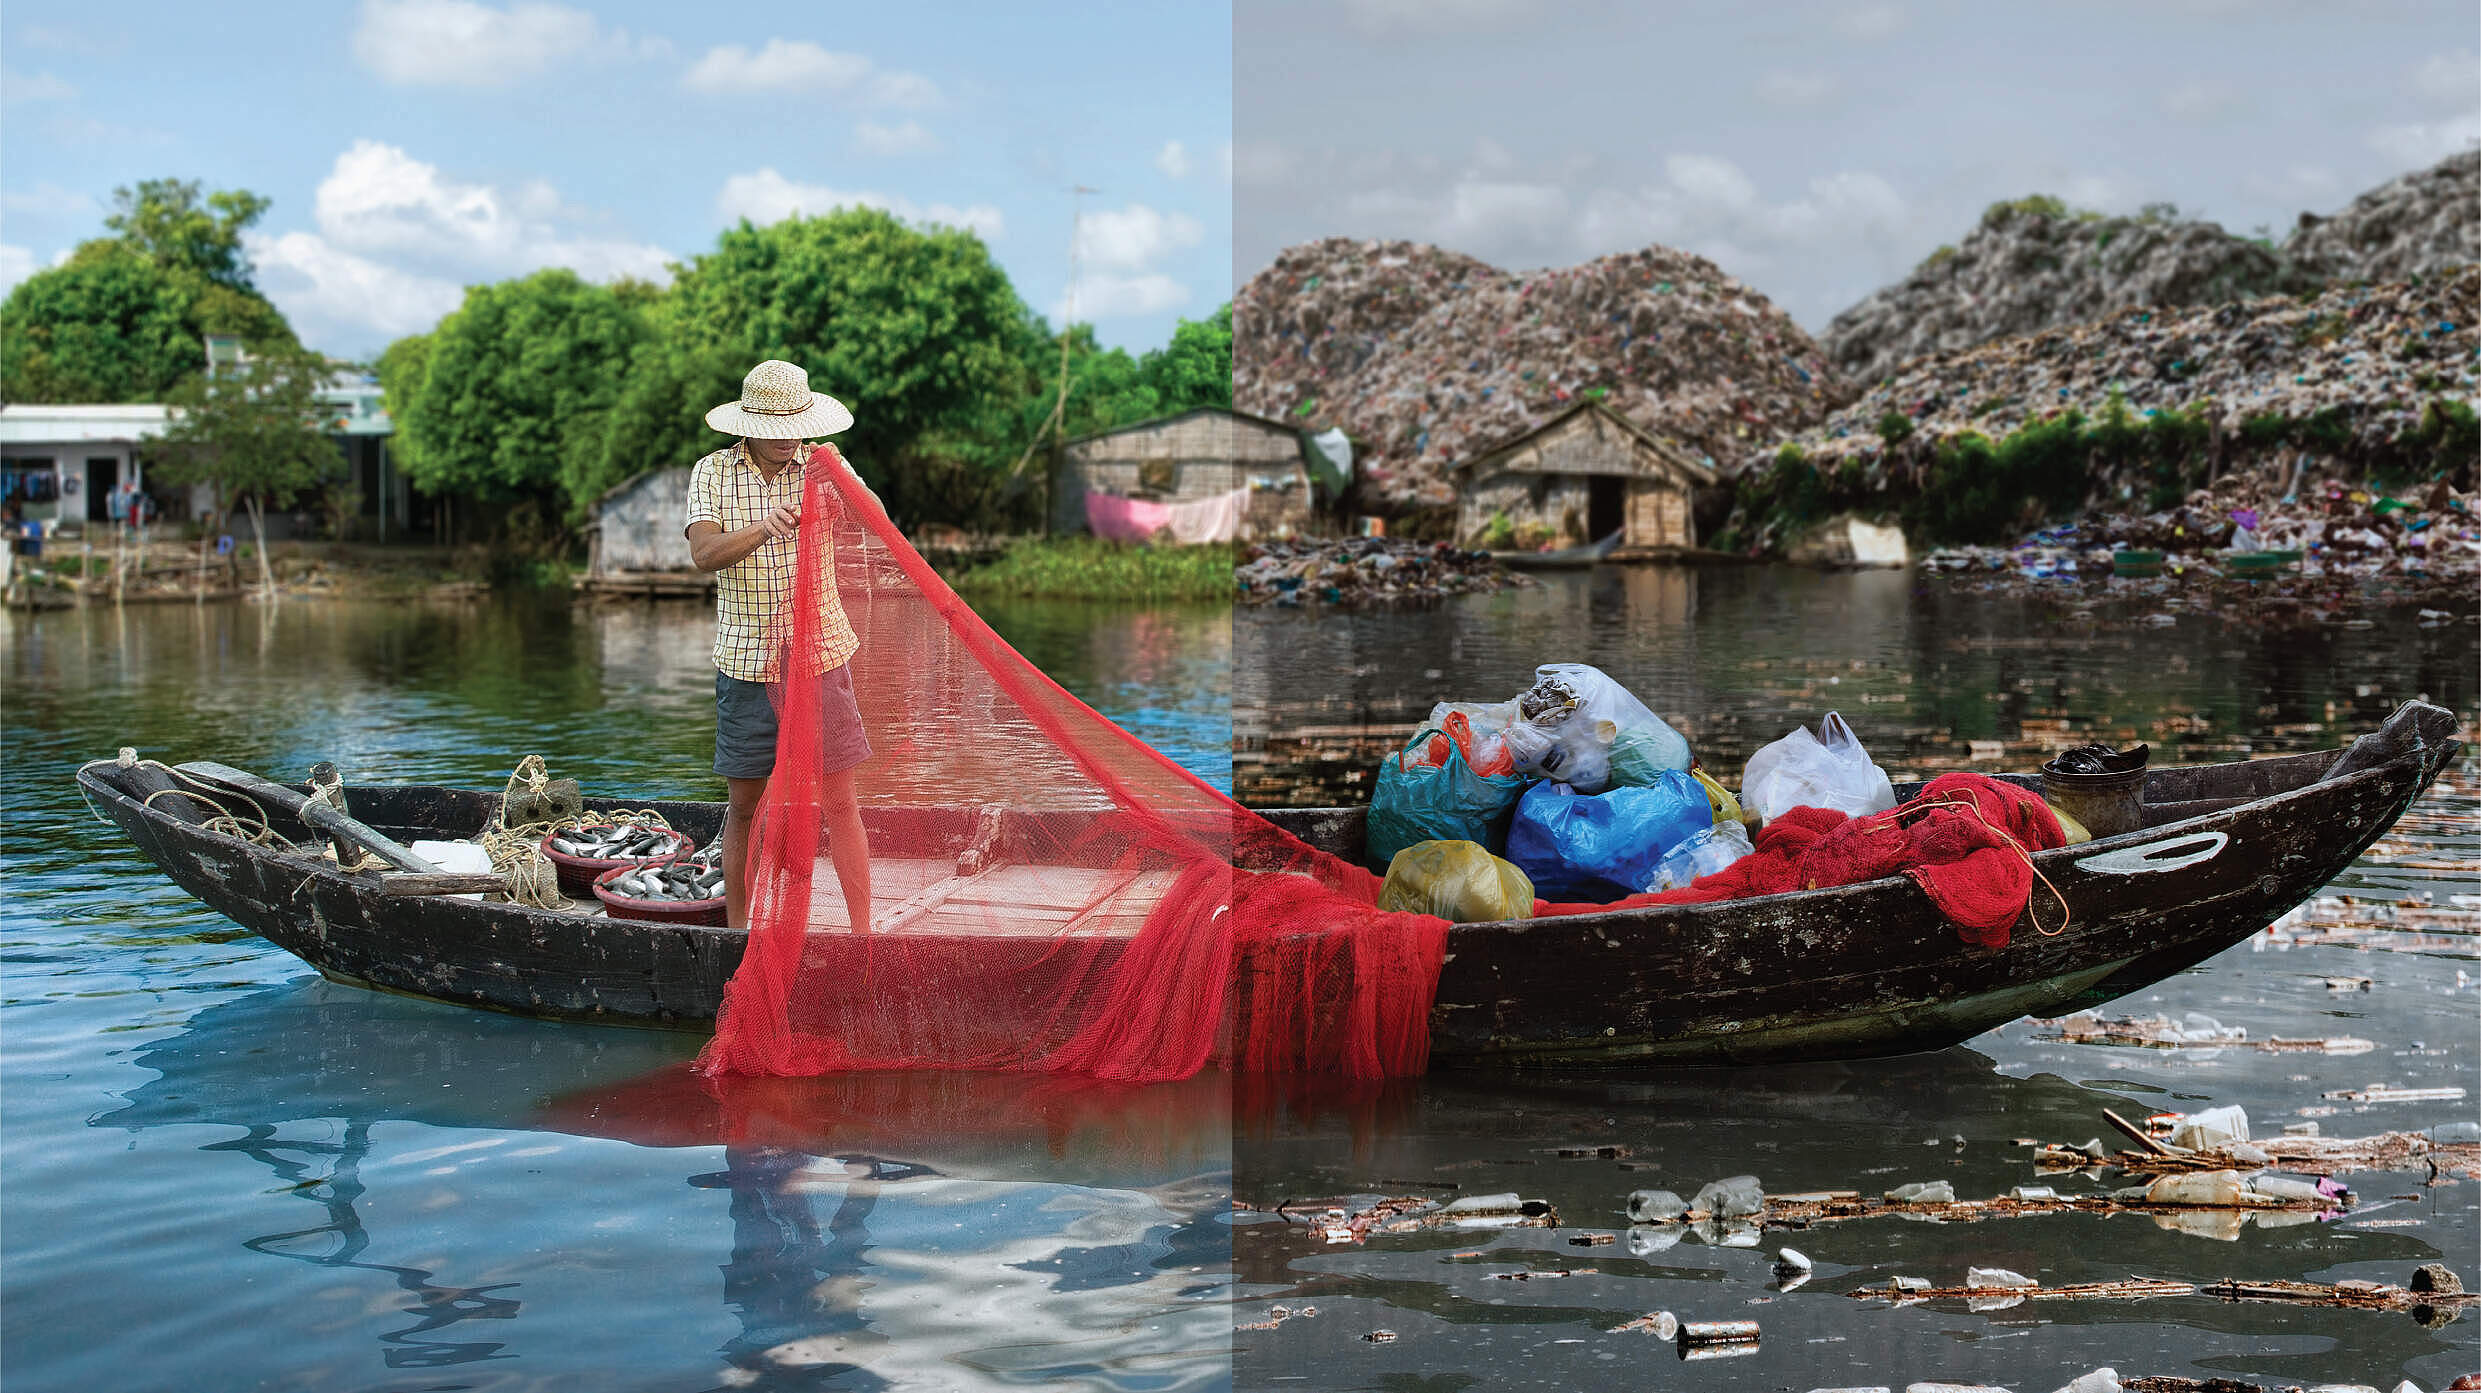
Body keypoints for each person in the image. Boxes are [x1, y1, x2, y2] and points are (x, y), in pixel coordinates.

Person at [685, 360, 875, 934]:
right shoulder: (713, 472)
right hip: (746, 661)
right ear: (750, 426)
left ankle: (862, 933)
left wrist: (842, 482)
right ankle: (737, 934)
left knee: (841, 802)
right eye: (775, 427)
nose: (788, 437)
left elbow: (877, 522)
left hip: (820, 657)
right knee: (744, 805)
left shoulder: (822, 465)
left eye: (796, 425)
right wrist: (764, 527)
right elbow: (704, 553)